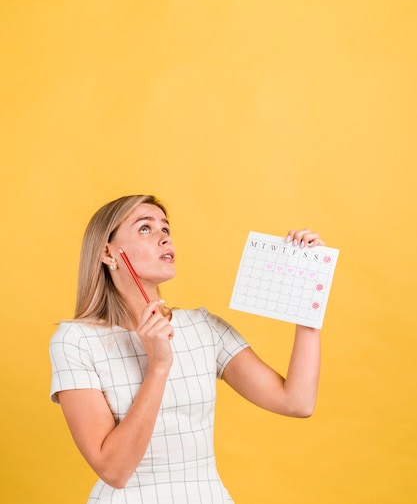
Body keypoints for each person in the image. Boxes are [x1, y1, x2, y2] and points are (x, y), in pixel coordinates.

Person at [49, 194, 325, 503]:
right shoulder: (74, 340)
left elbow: (297, 402)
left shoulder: (203, 327)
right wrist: (158, 366)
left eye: (166, 229)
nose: (164, 238)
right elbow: (114, 471)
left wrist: (308, 303)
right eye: (145, 228)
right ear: (108, 252)